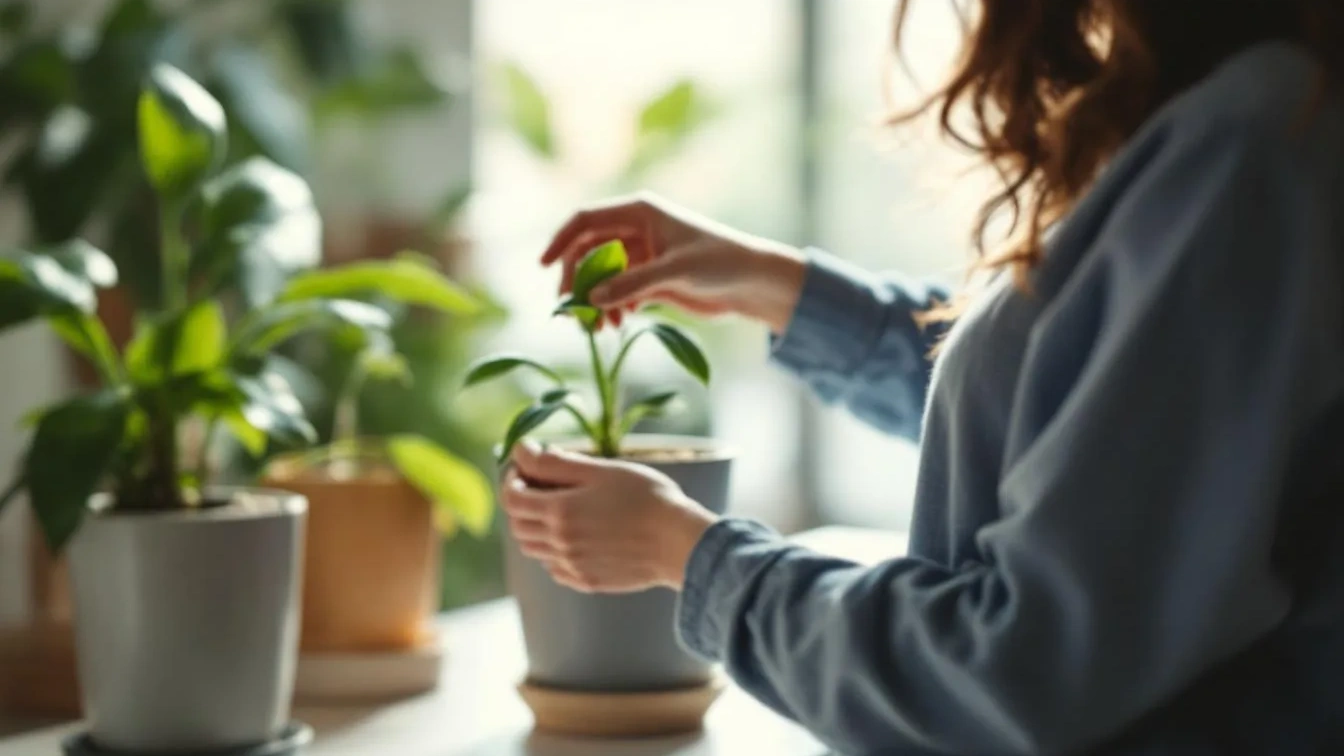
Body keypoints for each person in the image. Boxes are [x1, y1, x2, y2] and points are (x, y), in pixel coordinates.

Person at [501, 1, 1344, 753]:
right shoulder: (1233, 109)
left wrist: (686, 554)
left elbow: (1021, 674)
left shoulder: (1252, 142)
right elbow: (1092, 433)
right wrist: (776, 285)